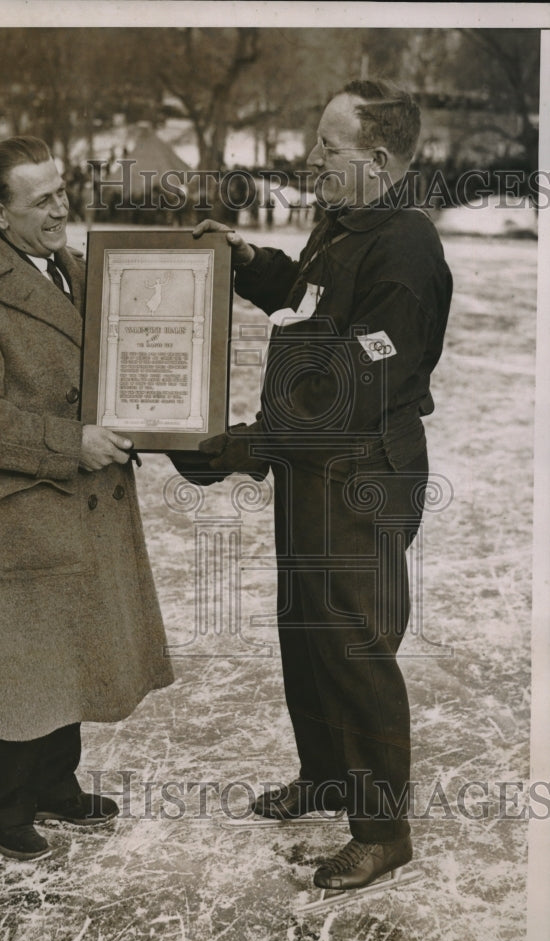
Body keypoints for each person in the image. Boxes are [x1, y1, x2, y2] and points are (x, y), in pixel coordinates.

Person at [187, 80, 452, 890]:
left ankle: (382, 830)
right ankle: (327, 774)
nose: (313, 158)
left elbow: (354, 385)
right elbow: (304, 300)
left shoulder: (405, 250)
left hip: (364, 469)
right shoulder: (341, 226)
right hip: (314, 466)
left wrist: (247, 443)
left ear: (376, 161)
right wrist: (247, 263)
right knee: (306, 630)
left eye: (329, 147)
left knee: (352, 644)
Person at [0, 136, 173, 861]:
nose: (59, 208)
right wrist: (71, 444)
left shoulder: (74, 267)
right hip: (29, 503)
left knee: (68, 646)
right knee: (23, 661)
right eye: (41, 201)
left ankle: (53, 784)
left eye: (62, 191)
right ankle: (0, 805)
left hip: (81, 499)